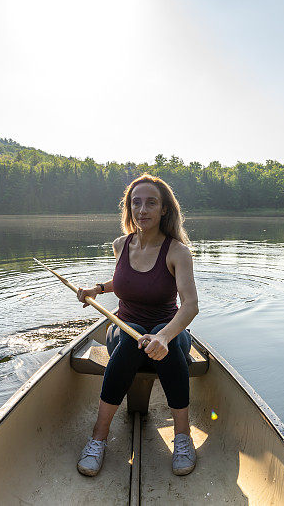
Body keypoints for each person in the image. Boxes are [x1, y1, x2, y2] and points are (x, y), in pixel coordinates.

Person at [75, 174, 200, 477]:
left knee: (169, 349)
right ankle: (98, 438)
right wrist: (97, 289)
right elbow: (123, 282)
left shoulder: (177, 252)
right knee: (130, 342)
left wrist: (165, 336)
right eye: (137, 203)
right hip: (126, 329)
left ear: (164, 210)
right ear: (129, 209)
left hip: (168, 330)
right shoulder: (121, 244)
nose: (143, 210)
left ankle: (182, 438)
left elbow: (190, 305)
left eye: (151, 203)